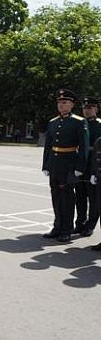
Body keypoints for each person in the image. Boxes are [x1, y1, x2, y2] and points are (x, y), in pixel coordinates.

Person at [42, 89, 88, 242]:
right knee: (55, 196)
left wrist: (79, 168)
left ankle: (66, 230)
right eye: (59, 103)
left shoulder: (79, 122)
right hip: (54, 165)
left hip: (69, 165)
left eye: (65, 102)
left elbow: (84, 146)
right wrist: (46, 165)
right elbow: (48, 146)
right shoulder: (53, 122)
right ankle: (57, 226)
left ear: (72, 105)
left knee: (67, 198)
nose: (61, 105)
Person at [74, 97, 101, 237]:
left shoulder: (99, 124)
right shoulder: (79, 123)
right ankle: (79, 223)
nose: (87, 110)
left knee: (94, 198)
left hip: (93, 165)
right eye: (85, 108)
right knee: (80, 196)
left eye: (90, 108)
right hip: (80, 164)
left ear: (96, 109)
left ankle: (90, 225)